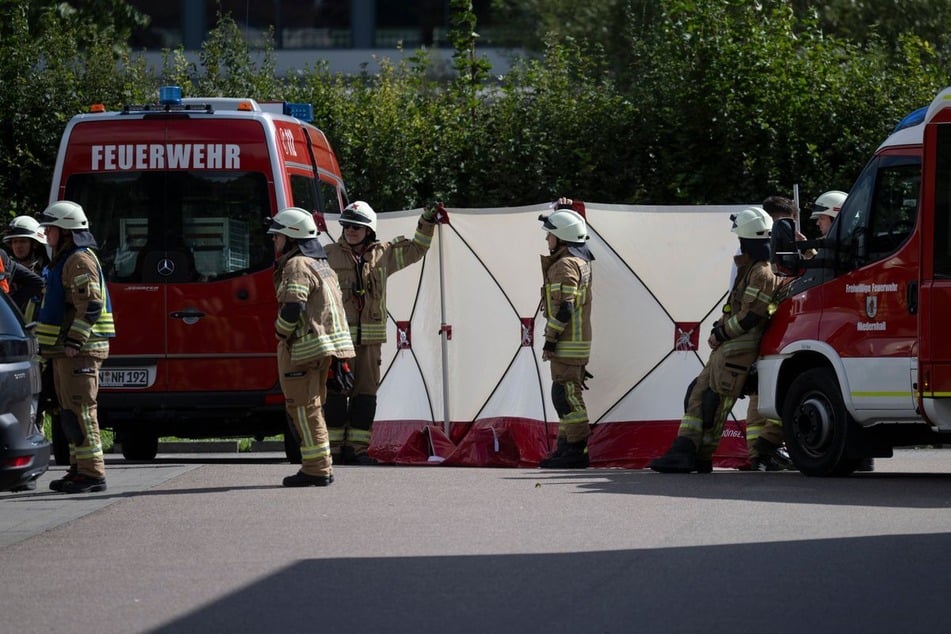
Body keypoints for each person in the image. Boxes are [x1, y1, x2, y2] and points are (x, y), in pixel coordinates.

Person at [650, 207, 778, 473]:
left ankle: (694, 454)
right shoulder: (752, 268)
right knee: (698, 395)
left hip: (737, 349)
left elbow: (751, 316)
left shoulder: (762, 273)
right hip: (729, 348)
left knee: (714, 404)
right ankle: (689, 453)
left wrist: (720, 333)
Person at [323, 201, 438, 464]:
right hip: (339, 341)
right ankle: (333, 450)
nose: (351, 230)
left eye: (357, 226)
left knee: (365, 396)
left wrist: (427, 221)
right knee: (336, 393)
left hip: (370, 343)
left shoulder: (383, 255)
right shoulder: (328, 255)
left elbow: (418, 248)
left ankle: (357, 450)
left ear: (369, 230)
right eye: (347, 226)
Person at [269, 207, 355, 487]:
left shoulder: (297, 265)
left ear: (291, 237)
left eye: (277, 236)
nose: (274, 241)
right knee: (314, 407)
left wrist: (280, 333)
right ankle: (321, 465)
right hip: (322, 350)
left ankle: (316, 469)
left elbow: (294, 306)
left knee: (303, 409)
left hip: (303, 351)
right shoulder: (322, 264)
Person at [36, 201, 116, 493]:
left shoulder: (78, 260)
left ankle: (92, 473)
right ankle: (78, 468)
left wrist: (74, 341)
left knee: (81, 411)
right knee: (69, 413)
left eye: (51, 228)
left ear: (66, 231)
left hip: (78, 351)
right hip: (64, 352)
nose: (45, 234)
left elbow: (91, 305)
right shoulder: (65, 259)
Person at [537, 197, 595, 469]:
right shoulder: (579, 260)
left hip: (566, 344)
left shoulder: (564, 265)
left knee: (566, 396)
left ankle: (576, 451)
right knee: (564, 394)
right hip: (576, 343)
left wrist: (550, 339)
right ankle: (565, 448)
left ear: (561, 237)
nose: (547, 238)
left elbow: (565, 308)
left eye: (550, 233)